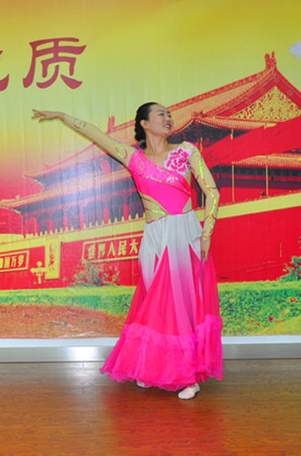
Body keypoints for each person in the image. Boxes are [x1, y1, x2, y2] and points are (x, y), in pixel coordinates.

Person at [33, 103, 223, 400]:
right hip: (153, 236)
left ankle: (188, 377)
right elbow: (96, 135)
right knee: (154, 304)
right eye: (160, 114)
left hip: (183, 233)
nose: (168, 118)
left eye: (169, 114)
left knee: (179, 305)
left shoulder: (187, 151)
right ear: (144, 124)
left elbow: (212, 192)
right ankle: (152, 367)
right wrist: (62, 116)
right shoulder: (133, 158)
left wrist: (207, 233)